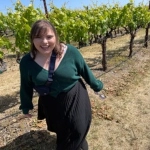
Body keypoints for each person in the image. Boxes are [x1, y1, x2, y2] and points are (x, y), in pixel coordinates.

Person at [19, 19, 103, 150]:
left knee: (78, 128)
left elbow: (84, 70)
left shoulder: (70, 52)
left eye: (49, 36)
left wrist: (96, 85)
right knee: (62, 130)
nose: (45, 42)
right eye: (38, 37)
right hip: (51, 101)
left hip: (75, 95)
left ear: (56, 37)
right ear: (32, 39)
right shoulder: (26, 62)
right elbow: (25, 86)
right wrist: (26, 106)